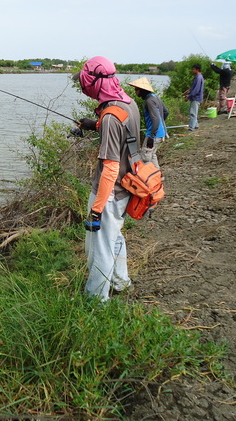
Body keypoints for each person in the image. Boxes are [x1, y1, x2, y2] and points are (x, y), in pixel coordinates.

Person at [73, 56, 141, 302]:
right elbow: (125, 138)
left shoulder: (111, 117)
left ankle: (95, 301)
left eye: (86, 82)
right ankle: (120, 281)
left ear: (93, 82)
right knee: (115, 237)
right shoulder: (128, 104)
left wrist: (96, 208)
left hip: (110, 192)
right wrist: (96, 124)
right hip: (127, 186)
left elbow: (110, 167)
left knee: (99, 248)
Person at [127, 77, 168, 169]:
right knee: (152, 155)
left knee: (145, 158)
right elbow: (166, 112)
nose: (135, 92)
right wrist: (160, 126)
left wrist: (151, 136)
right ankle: (158, 176)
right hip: (161, 133)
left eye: (136, 90)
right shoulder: (155, 97)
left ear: (142, 90)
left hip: (153, 135)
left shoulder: (149, 101)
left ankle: (149, 179)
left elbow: (155, 118)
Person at [183, 63, 204, 131]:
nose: (192, 70)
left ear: (197, 70)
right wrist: (189, 90)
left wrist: (188, 97)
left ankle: (191, 128)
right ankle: (196, 125)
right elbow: (194, 87)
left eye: (193, 69)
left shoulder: (198, 77)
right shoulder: (198, 77)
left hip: (196, 98)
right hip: (196, 97)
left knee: (192, 113)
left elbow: (196, 90)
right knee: (194, 112)